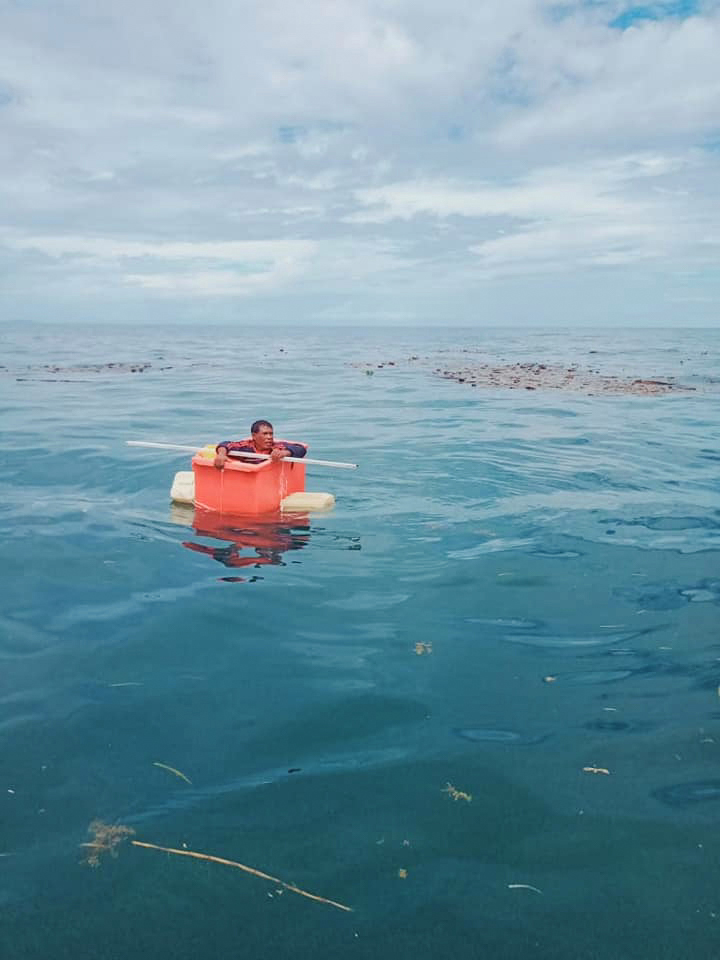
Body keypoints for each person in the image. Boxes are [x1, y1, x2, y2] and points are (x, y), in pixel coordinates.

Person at [214, 420, 307, 469]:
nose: (269, 437)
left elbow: (300, 448)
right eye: (265, 434)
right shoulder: (246, 447)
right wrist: (221, 454)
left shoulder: (276, 447)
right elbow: (226, 444)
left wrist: (285, 453)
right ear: (254, 436)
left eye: (271, 434)